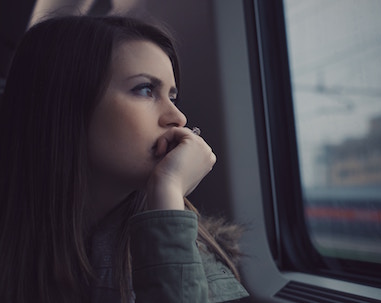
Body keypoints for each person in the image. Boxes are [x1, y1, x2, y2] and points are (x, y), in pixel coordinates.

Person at [0, 15, 248, 303]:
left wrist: (167, 194)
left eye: (172, 96)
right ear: (63, 106)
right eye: (145, 90)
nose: (178, 117)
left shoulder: (194, 249)